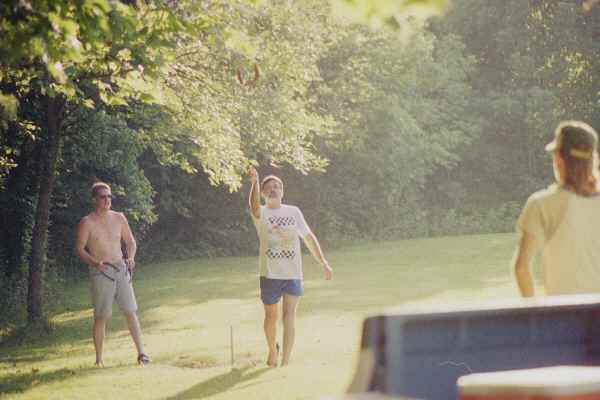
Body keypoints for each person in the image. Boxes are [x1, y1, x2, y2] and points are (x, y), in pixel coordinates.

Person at [248, 167, 333, 367]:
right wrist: (254, 182)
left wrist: (323, 262)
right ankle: (272, 351)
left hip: (293, 274)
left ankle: (285, 361)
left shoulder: (293, 212)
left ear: (282, 191)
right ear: (263, 193)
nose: (274, 189)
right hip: (269, 274)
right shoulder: (262, 213)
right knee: (271, 316)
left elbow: (309, 238)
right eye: (269, 187)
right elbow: (253, 206)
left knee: (289, 316)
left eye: (277, 186)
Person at [513, 120, 600, 297]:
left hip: (563, 318)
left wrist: (536, 316)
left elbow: (521, 268)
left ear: (559, 159)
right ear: (593, 159)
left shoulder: (542, 203)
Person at [75, 182, 150, 366]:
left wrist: (130, 258)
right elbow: (79, 249)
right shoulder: (87, 222)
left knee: (131, 311)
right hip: (101, 272)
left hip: (121, 269)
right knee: (101, 316)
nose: (107, 200)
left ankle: (142, 354)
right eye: (103, 196)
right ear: (94, 200)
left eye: (109, 197)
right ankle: (99, 360)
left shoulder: (119, 218)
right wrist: (95, 263)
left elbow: (131, 243)